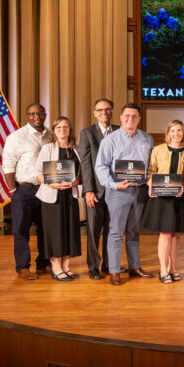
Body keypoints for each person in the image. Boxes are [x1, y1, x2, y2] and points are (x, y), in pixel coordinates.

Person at [94, 103, 154, 286]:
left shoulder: (147, 139)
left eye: (134, 116)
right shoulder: (110, 140)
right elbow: (101, 166)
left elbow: (152, 167)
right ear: (121, 118)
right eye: (127, 116)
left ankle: (134, 267)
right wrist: (114, 184)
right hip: (118, 191)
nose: (131, 119)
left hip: (140, 190)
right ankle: (113, 270)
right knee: (115, 232)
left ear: (139, 119)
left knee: (134, 232)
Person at [2, 102, 53, 280]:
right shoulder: (16, 137)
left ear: (45, 115)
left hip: (46, 189)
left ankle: (44, 263)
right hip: (24, 190)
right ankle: (23, 267)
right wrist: (13, 190)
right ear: (26, 116)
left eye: (39, 114)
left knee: (45, 229)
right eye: (32, 114)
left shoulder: (50, 135)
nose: (36, 117)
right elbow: (8, 165)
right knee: (21, 230)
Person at [142, 120, 184, 284]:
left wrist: (183, 187)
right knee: (165, 234)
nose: (176, 134)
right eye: (173, 131)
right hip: (162, 198)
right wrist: (151, 185)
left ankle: (173, 267)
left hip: (178, 198)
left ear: (183, 133)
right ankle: (163, 269)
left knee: (176, 234)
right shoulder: (158, 149)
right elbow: (151, 172)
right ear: (168, 133)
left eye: (179, 130)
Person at [35, 116, 82, 282]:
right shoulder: (48, 148)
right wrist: (52, 185)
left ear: (70, 130)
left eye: (66, 127)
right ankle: (55, 268)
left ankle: (66, 266)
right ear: (54, 131)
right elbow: (38, 173)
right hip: (52, 197)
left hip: (70, 196)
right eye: (59, 127)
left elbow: (80, 174)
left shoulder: (75, 149)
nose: (63, 130)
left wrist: (76, 182)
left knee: (69, 230)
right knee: (55, 232)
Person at [78, 98, 119, 280]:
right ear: (95, 113)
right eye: (100, 110)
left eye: (107, 109)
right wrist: (88, 190)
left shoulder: (120, 131)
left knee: (113, 231)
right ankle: (93, 267)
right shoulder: (87, 133)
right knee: (94, 231)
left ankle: (109, 266)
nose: (104, 112)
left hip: (117, 190)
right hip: (95, 191)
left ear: (112, 112)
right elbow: (85, 163)